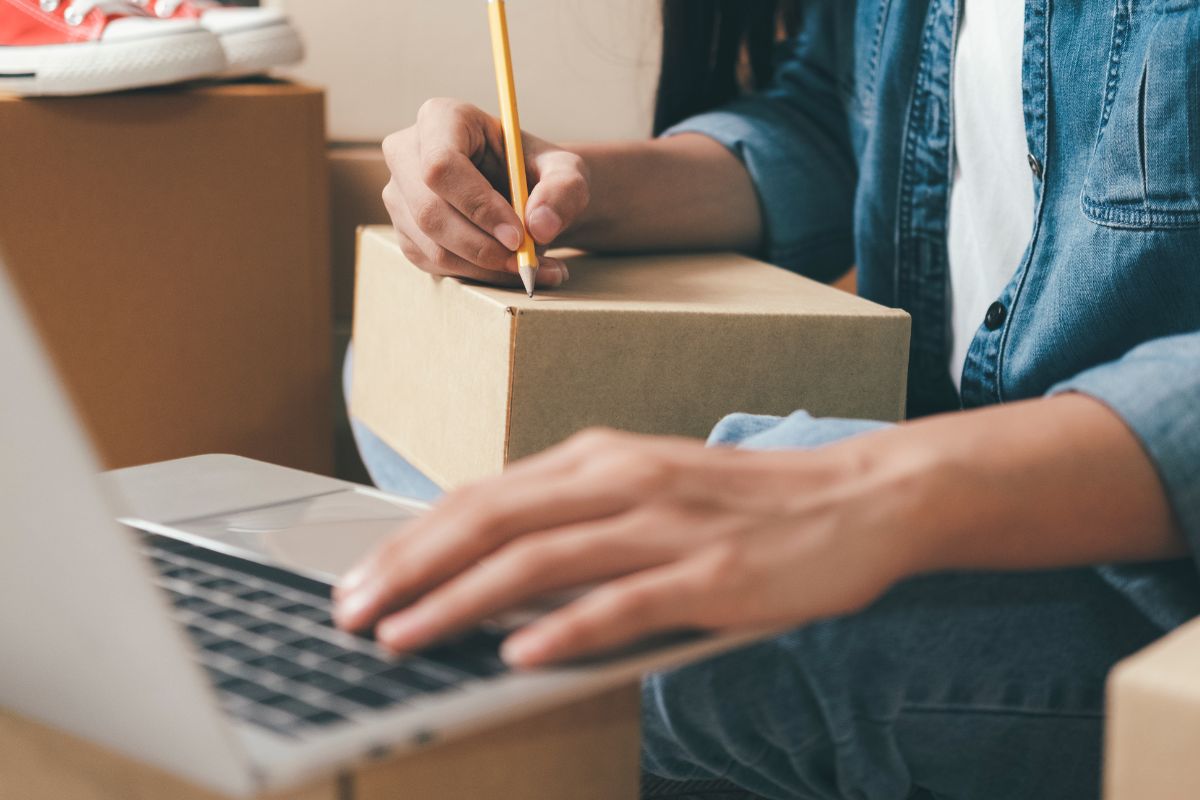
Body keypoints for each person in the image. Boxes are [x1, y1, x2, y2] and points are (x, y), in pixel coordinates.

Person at [336, 2, 1200, 798]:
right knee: (408, 386)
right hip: (944, 461)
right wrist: (555, 186)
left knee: (646, 649)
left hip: (1150, 573)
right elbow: (835, 120)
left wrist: (854, 488)